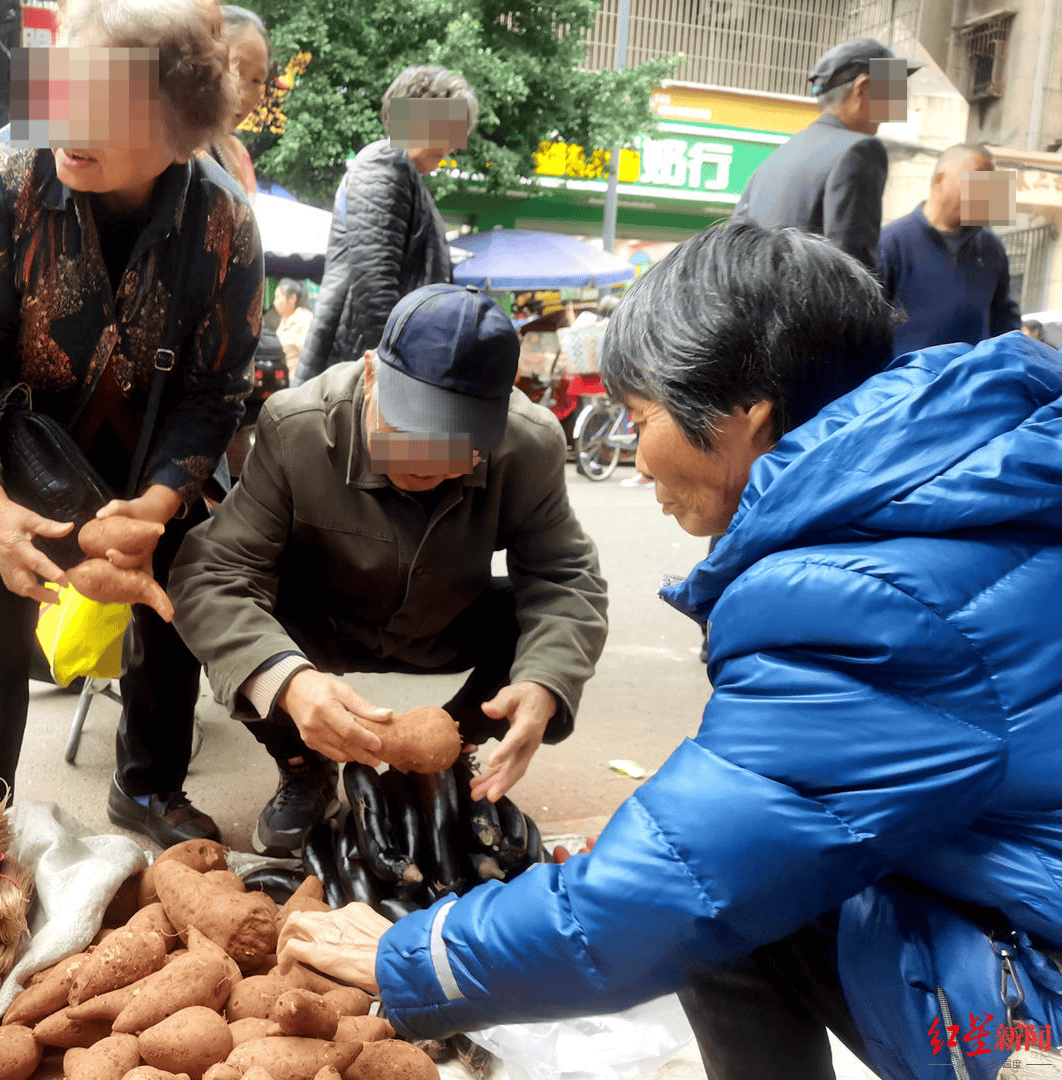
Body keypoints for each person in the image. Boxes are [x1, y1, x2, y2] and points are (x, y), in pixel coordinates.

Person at [274, 221, 1062, 1080]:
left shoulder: (860, 593)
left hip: (1038, 1008)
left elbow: (667, 902)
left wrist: (410, 954)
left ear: (742, 417)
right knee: (743, 879)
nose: (634, 456)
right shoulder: (966, 470)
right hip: (1018, 897)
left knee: (724, 906)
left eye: (640, 417)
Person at [0, 0, 263, 845]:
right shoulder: (2, 176)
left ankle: (146, 786)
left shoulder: (224, 223)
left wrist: (159, 506)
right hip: (10, 441)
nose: (67, 124)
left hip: (150, 449)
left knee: (174, 592)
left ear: (180, 128)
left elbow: (215, 387)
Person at [168, 283, 608, 856]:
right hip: (321, 624)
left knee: (537, 637)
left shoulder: (530, 445)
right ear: (371, 373)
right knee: (247, 644)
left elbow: (567, 576)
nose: (424, 461)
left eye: (455, 443)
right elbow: (212, 573)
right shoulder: (297, 427)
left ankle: (442, 755)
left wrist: (547, 682)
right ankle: (305, 768)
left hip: (446, 621)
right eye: (406, 429)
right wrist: (289, 681)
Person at [292, 66, 477, 385]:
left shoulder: (396, 169)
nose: (456, 147)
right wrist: (400, 374)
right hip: (363, 371)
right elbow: (376, 286)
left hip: (364, 366)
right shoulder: (385, 163)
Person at [733, 38, 919, 272]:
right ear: (863, 87)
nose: (892, 110)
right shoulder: (860, 150)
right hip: (812, 307)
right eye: (892, 91)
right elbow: (853, 265)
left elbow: (735, 246)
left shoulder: (779, 155)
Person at [878, 145, 1021, 355]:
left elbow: (1004, 321)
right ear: (939, 182)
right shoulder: (891, 243)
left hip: (971, 382)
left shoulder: (992, 249)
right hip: (906, 383)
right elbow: (867, 327)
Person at [203, 4, 270, 199]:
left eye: (257, 80)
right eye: (233, 71)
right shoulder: (170, 150)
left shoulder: (239, 153)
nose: (243, 95)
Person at [272, 278, 311, 377]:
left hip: (298, 380)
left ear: (292, 298)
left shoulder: (304, 320)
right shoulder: (284, 319)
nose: (274, 302)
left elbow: (309, 357)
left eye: (277, 297)